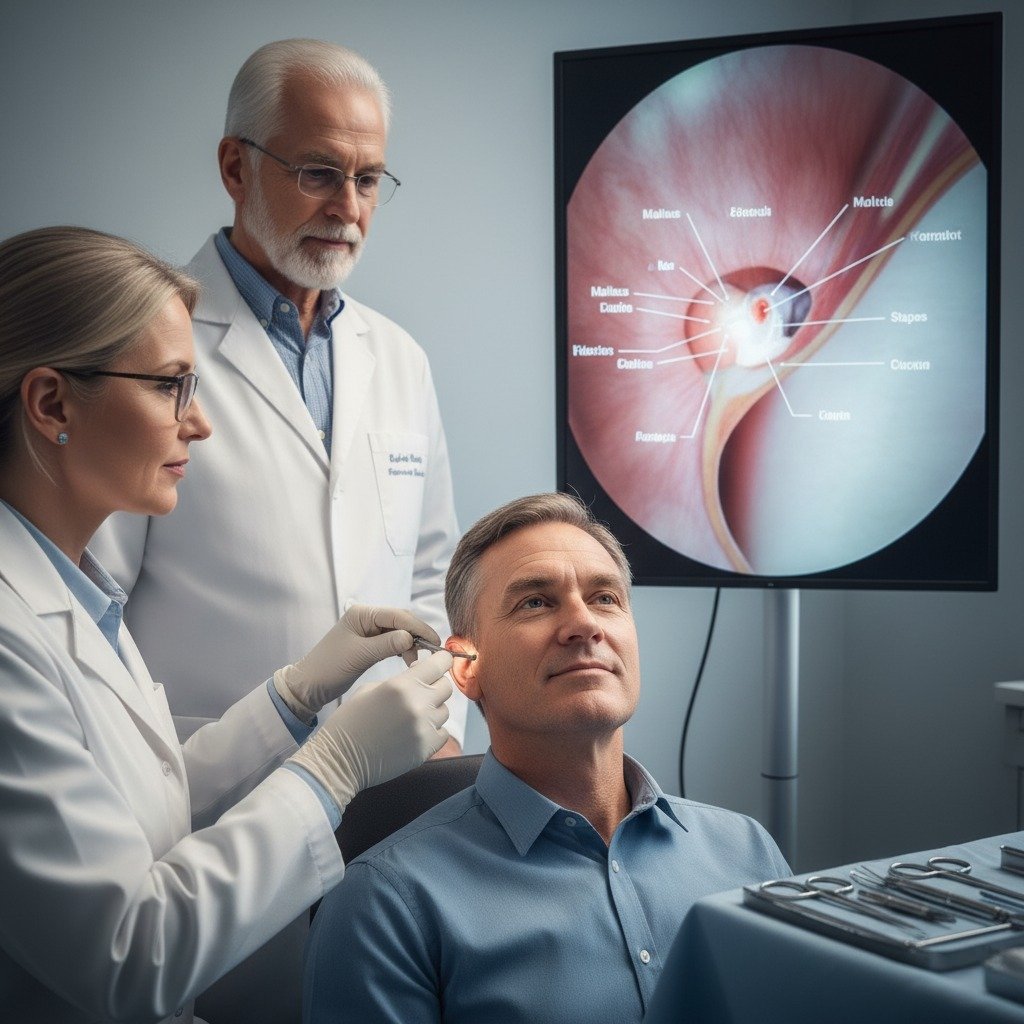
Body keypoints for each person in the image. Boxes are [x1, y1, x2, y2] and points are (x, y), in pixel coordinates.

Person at [0, 225, 454, 1024]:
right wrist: (333, 768)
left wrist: (291, 697)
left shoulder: (74, 595)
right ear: (51, 402)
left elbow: (146, 811)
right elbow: (131, 955)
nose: (199, 423)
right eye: (171, 386)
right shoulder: (10, 636)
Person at [92, 37, 466, 749]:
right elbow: (93, 592)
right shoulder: (140, 345)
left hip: (389, 777)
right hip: (207, 779)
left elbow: (433, 579)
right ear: (236, 167)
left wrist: (443, 724)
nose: (348, 208)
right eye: (320, 173)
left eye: (368, 179)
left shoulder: (400, 360)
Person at [303, 492, 791, 1024]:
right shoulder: (384, 906)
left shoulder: (749, 852)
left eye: (605, 598)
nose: (585, 625)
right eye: (535, 602)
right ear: (466, 669)